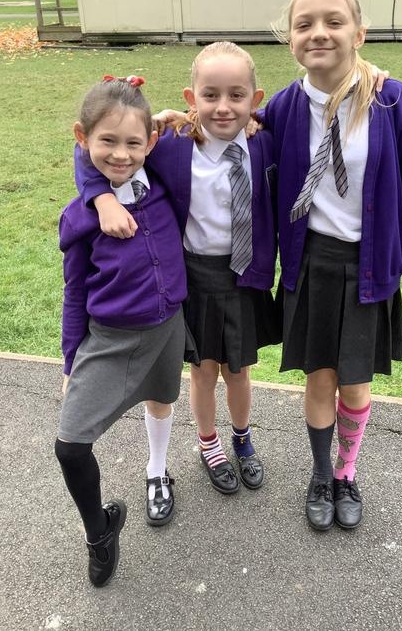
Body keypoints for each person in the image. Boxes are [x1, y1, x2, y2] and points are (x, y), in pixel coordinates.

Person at [262, 0, 402, 531]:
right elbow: (223, 137)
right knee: (319, 378)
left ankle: (346, 472)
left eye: (333, 22)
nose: (319, 32)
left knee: (356, 383)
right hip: (312, 263)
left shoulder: (391, 100)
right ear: (290, 39)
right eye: (304, 24)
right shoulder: (282, 108)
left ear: (359, 34)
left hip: (368, 264)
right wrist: (175, 124)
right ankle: (320, 474)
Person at [74, 43, 280, 496]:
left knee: (240, 370)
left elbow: (310, 113)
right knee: (204, 371)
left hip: (245, 277)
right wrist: (102, 198)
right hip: (195, 277)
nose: (222, 107)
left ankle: (242, 438)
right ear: (191, 98)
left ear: (254, 100)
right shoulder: (171, 146)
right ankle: (209, 443)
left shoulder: (266, 141)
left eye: (236, 96)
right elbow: (93, 146)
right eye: (210, 95)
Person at [56, 75, 188, 587]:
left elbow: (208, 128)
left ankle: (157, 471)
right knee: (71, 445)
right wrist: (71, 360)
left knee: (161, 399)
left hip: (166, 326)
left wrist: (161, 122)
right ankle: (99, 532)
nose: (120, 154)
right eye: (106, 141)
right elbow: (74, 293)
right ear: (82, 137)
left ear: (150, 143)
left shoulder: (162, 182)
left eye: (133, 143)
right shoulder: (82, 217)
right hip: (108, 339)